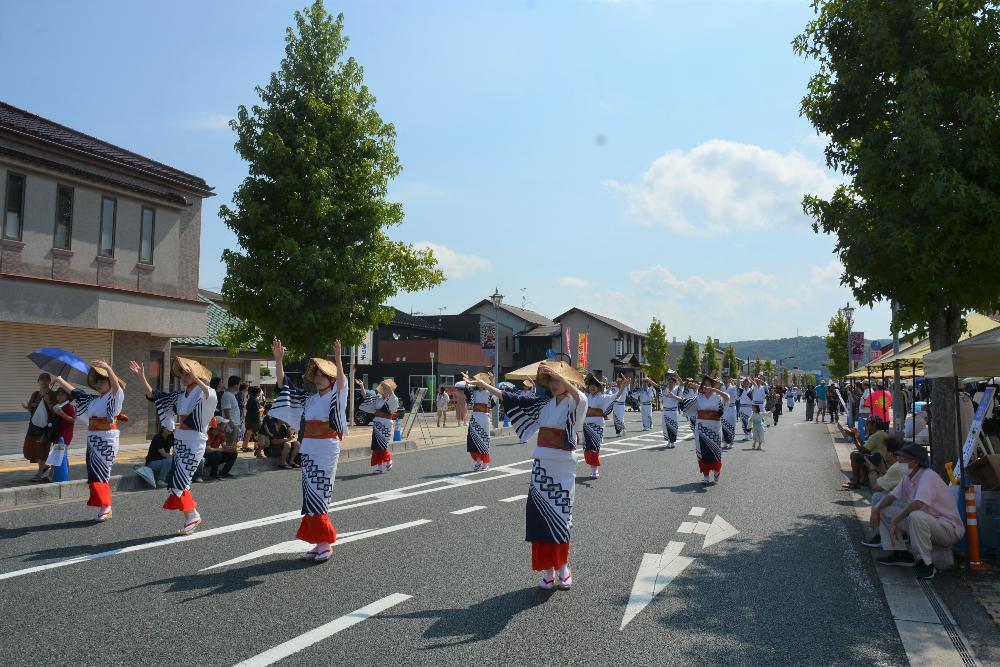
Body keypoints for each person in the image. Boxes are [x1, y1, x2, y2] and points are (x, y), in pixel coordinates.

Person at [462, 361, 586, 591]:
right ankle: (548, 572)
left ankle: (563, 568)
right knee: (539, 518)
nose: (556, 385)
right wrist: (483, 385)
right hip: (542, 467)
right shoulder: (543, 403)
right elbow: (512, 399)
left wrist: (564, 380)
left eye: (559, 380)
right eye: (552, 381)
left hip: (564, 469)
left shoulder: (574, 403)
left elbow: (582, 399)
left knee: (561, 519)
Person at [272, 337, 348, 563]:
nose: (317, 378)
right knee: (310, 495)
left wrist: (337, 360)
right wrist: (278, 361)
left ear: (331, 378)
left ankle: (325, 542)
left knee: (321, 494)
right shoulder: (310, 398)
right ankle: (318, 542)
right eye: (315, 375)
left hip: (326, 449)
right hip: (309, 448)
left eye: (322, 375)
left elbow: (343, 382)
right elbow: (284, 385)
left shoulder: (337, 394)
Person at [133, 357, 217, 535]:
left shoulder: (205, 392)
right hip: (180, 440)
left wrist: (197, 378)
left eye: (188, 374)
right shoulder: (180, 395)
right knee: (176, 482)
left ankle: (193, 516)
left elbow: (210, 396)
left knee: (180, 481)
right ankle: (191, 517)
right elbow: (155, 396)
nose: (184, 378)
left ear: (197, 375)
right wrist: (142, 377)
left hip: (195, 441)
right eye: (184, 375)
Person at [872, 444, 964, 579]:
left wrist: (896, 521)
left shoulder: (928, 476)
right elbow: (891, 496)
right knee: (884, 508)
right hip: (929, 523)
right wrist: (876, 509)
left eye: (902, 459)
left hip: (948, 529)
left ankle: (927, 564)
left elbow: (918, 504)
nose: (899, 462)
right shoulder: (908, 478)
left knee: (916, 516)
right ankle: (900, 554)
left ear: (914, 462)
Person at [52, 360, 125, 522]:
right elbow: (77, 392)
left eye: (102, 381)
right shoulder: (95, 399)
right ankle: (104, 505)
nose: (98, 385)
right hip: (93, 438)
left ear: (109, 382)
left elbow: (117, 387)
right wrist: (60, 380)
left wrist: (108, 369)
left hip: (106, 439)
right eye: (96, 382)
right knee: (94, 472)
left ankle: (106, 506)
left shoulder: (114, 396)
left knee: (102, 472)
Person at [860, 435, 906, 548]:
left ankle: (879, 534)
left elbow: (875, 486)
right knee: (883, 496)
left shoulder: (896, 467)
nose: (884, 453)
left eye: (885, 450)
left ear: (891, 453)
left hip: (908, 506)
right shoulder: (902, 464)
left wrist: (871, 468)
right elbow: (889, 480)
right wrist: (881, 469)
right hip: (910, 502)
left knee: (877, 496)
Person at [582, 373, 624, 478]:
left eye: (595, 385)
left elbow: (616, 396)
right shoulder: (585, 397)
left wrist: (623, 387)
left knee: (595, 447)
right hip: (586, 425)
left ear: (599, 387)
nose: (592, 387)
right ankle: (592, 468)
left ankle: (595, 470)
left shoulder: (603, 397)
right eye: (590, 385)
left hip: (597, 425)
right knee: (587, 448)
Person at [455, 372, 496, 472]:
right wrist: (466, 379)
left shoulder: (488, 392)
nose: (478, 384)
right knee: (472, 440)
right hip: (475, 418)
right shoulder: (474, 392)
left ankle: (485, 463)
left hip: (484, 417)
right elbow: (467, 390)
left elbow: (494, 395)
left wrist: (492, 380)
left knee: (484, 440)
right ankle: (478, 461)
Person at [693, 375, 729, 485]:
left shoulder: (717, 397)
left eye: (709, 385)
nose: (706, 387)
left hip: (714, 428)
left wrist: (714, 390)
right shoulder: (699, 397)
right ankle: (706, 475)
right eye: (704, 385)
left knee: (715, 451)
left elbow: (727, 398)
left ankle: (716, 470)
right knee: (703, 451)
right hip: (701, 427)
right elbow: (689, 405)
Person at [41, 385, 76, 482]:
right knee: (61, 455)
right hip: (58, 435)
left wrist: (61, 413)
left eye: (62, 395)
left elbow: (72, 420)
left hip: (65, 435)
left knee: (58, 455)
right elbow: (53, 415)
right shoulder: (59, 406)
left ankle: (51, 476)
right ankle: (64, 475)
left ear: (67, 396)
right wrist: (48, 401)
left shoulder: (70, 407)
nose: (60, 397)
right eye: (58, 395)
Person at [843, 416, 889, 489]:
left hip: (879, 460)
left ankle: (855, 482)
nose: (867, 427)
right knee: (859, 455)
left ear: (873, 425)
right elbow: (866, 447)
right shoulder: (880, 433)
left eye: (868, 424)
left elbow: (863, 450)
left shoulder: (876, 436)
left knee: (854, 455)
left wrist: (854, 437)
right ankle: (863, 479)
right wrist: (857, 437)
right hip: (878, 457)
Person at [23, 373, 53, 482]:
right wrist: (29, 407)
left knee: (42, 449)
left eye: (46, 380)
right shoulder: (35, 394)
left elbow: (54, 410)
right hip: (33, 425)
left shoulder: (52, 394)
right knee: (31, 448)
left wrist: (48, 401)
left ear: (49, 381)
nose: (44, 382)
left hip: (46, 427)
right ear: (38, 381)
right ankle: (43, 466)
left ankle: (39, 474)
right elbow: (31, 408)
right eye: (42, 379)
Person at [370, 379, 399, 474]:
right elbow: (367, 399)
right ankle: (380, 466)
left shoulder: (393, 399)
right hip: (377, 423)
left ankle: (388, 459)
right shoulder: (378, 398)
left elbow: (390, 390)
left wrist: (384, 383)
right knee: (376, 446)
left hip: (385, 424)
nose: (383, 391)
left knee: (382, 444)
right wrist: (362, 386)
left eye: (385, 389)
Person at [660, 374, 684, 449]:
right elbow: (656, 386)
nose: (670, 383)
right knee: (665, 426)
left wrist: (677, 375)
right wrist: (648, 380)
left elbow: (681, 398)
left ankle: (672, 442)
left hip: (673, 411)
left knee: (673, 426)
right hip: (665, 411)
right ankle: (668, 441)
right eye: (669, 382)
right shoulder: (664, 389)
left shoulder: (677, 389)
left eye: (672, 382)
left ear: (675, 383)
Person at [220, 376, 242, 451]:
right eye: (239, 384)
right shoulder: (227, 395)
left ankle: (229, 461)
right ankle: (228, 461)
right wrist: (231, 424)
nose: (239, 386)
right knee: (231, 446)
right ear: (235, 385)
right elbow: (226, 410)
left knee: (233, 446)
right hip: (231, 425)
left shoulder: (230, 394)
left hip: (233, 424)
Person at [244, 386, 263, 455]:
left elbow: (247, 407)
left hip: (248, 418)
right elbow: (257, 410)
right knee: (257, 433)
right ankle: (256, 447)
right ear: (257, 392)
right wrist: (262, 409)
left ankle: (245, 446)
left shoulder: (250, 399)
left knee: (248, 432)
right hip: (255, 419)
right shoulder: (255, 400)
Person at [721, 375, 738, 450]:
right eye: (724, 378)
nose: (725, 379)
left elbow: (737, 396)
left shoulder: (733, 387)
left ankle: (731, 442)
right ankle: (725, 442)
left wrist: (737, 377)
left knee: (732, 425)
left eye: (727, 378)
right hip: (724, 408)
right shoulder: (722, 387)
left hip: (732, 407)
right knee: (724, 424)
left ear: (729, 379)